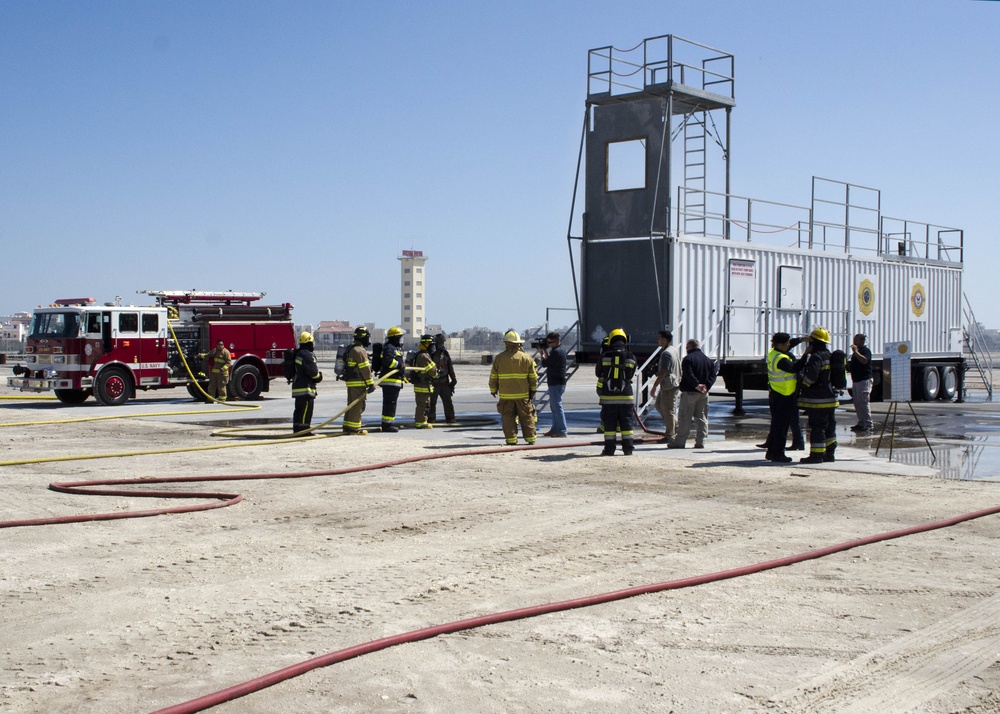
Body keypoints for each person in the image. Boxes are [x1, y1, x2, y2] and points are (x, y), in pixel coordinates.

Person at [489, 330, 538, 445]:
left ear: (506, 343)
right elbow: (533, 377)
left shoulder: (499, 358)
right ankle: (531, 438)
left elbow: (493, 376)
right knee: (526, 417)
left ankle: (511, 439)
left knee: (508, 418)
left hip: (506, 395)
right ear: (519, 343)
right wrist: (533, 390)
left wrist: (493, 389)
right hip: (523, 395)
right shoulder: (526, 358)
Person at [798, 327, 839, 464]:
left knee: (817, 427)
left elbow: (811, 378)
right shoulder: (829, 355)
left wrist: (802, 384)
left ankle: (816, 456)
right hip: (831, 399)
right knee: (829, 427)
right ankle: (830, 454)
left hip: (817, 400)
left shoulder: (816, 357)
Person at [763, 333, 806, 463]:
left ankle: (771, 452)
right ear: (781, 345)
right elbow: (795, 368)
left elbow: (790, 343)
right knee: (781, 427)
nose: (789, 345)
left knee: (776, 425)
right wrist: (806, 355)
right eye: (787, 343)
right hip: (784, 395)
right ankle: (778, 454)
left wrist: (801, 340)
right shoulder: (781, 359)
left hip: (776, 393)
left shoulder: (773, 352)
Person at [668, 339, 718, 449]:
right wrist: (707, 386)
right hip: (704, 394)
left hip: (690, 392)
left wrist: (696, 385)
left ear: (689, 347)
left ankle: (680, 441)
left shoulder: (688, 359)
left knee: (685, 417)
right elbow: (713, 375)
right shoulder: (708, 360)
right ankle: (701, 441)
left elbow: (688, 374)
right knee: (701, 418)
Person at [596, 328, 637, 455]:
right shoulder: (631, 356)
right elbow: (630, 375)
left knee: (609, 426)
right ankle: (628, 449)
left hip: (608, 398)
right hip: (626, 397)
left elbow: (598, 373)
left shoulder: (604, 356)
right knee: (627, 425)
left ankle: (609, 449)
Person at [343, 326, 375, 435]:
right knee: (357, 406)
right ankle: (354, 429)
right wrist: (370, 383)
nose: (368, 340)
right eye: (367, 338)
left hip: (351, 382)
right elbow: (365, 369)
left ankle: (347, 426)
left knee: (351, 405)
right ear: (363, 338)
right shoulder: (360, 351)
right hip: (358, 383)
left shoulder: (351, 348)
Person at [650, 330, 681, 443]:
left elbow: (664, 371)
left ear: (665, 339)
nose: (658, 340)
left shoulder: (666, 353)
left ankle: (670, 435)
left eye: (660, 338)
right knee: (659, 405)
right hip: (669, 384)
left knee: (668, 410)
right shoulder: (673, 350)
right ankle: (675, 426)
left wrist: (654, 386)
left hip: (669, 385)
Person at [537, 331, 568, 437]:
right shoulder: (559, 350)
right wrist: (545, 350)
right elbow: (550, 360)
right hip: (556, 382)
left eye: (550, 343)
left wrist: (541, 353)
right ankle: (555, 429)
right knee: (554, 407)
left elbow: (545, 363)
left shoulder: (557, 352)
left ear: (556, 341)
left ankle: (562, 430)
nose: (549, 344)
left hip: (556, 382)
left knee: (557, 407)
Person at [291, 331, 322, 433]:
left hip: (297, 388)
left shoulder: (298, 353)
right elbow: (313, 372)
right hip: (306, 388)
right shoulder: (307, 355)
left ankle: (297, 429)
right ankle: (304, 431)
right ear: (309, 343)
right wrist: (319, 377)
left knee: (298, 410)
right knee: (306, 411)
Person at [379, 326, 406, 433]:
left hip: (394, 381)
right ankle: (387, 425)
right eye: (399, 338)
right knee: (390, 403)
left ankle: (388, 423)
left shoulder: (394, 348)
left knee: (391, 403)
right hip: (390, 381)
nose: (401, 340)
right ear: (394, 338)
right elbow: (388, 361)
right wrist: (399, 364)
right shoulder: (389, 347)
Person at [428, 333, 457, 424]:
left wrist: (453, 379)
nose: (443, 345)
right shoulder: (430, 355)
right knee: (432, 403)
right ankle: (431, 419)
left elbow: (450, 367)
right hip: (434, 383)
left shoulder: (445, 354)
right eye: (441, 343)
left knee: (448, 402)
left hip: (445, 383)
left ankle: (450, 418)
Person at [848, 333, 874, 432]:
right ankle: (861, 422)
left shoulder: (865, 351)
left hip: (864, 380)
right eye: (854, 340)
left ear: (862, 341)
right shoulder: (856, 353)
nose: (854, 342)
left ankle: (868, 424)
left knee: (863, 402)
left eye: (857, 340)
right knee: (857, 402)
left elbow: (864, 361)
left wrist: (856, 352)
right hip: (856, 380)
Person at [411, 334, 438, 428]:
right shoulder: (423, 356)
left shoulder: (422, 354)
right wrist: (437, 373)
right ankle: (421, 423)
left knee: (423, 404)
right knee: (423, 405)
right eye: (432, 345)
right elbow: (432, 370)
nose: (433, 348)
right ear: (426, 344)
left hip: (423, 384)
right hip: (423, 385)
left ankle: (422, 421)